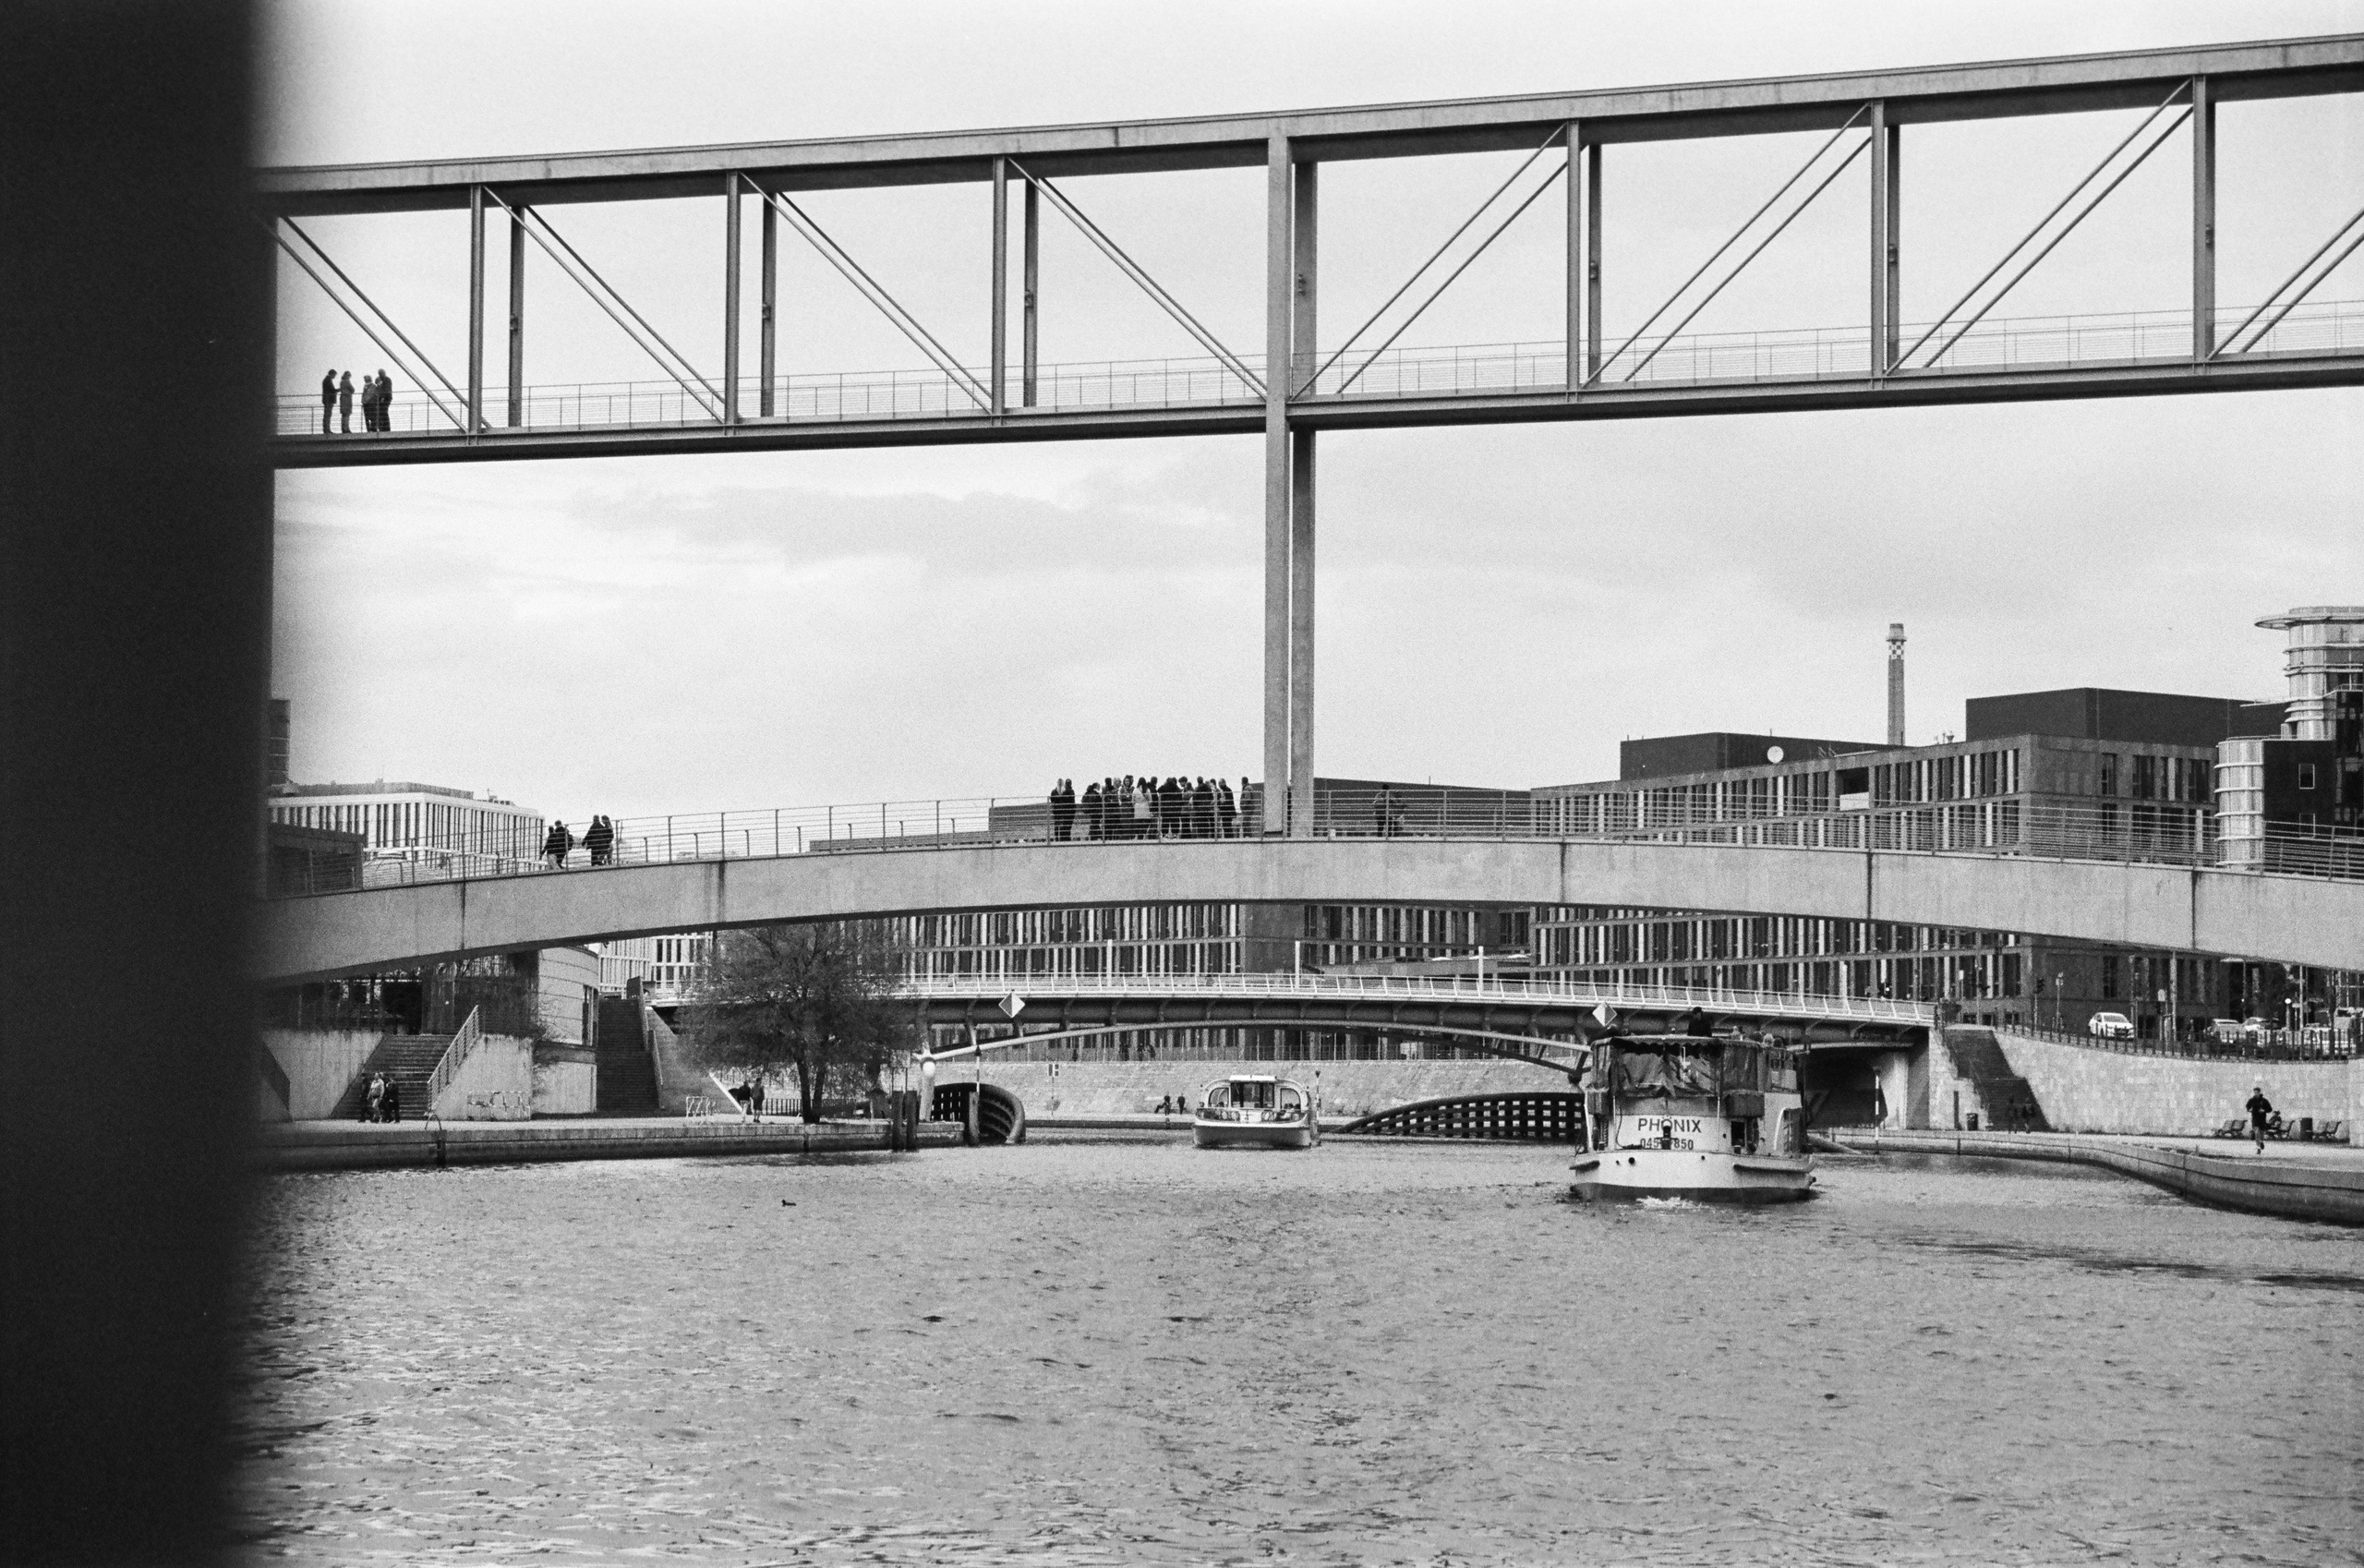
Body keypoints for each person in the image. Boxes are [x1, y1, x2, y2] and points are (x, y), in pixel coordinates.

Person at [2246, 1084, 2274, 1152]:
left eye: (2257, 1092)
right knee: (2257, 1132)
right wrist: (2249, 1109)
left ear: (2259, 1092)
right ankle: (2258, 1147)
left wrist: (2264, 1110)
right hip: (2255, 1118)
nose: (2256, 1094)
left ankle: (2261, 1142)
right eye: (2255, 1092)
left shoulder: (2264, 1101)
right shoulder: (2251, 1100)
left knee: (2261, 1133)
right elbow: (2247, 1106)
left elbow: (2270, 1109)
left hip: (2262, 1118)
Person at [320, 369, 338, 435]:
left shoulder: (327, 380)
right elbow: (331, 390)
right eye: (334, 375)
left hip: (327, 400)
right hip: (328, 400)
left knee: (327, 415)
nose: (335, 376)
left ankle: (327, 429)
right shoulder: (328, 380)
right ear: (332, 374)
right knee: (327, 415)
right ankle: (327, 429)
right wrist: (339, 390)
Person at [337, 370, 355, 434]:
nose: (349, 377)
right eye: (348, 375)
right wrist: (350, 391)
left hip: (343, 398)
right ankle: (346, 428)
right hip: (347, 398)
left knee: (344, 414)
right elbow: (352, 389)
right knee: (346, 414)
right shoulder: (346, 381)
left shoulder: (341, 381)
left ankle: (344, 428)